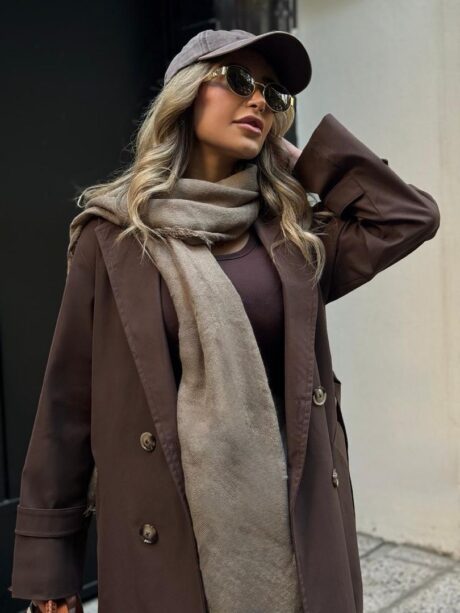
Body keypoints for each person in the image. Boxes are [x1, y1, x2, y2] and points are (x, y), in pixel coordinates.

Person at [10, 28, 440, 613]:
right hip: (169, 532)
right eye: (239, 80)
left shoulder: (292, 234)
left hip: (296, 527)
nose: (259, 99)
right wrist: (49, 567)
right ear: (187, 95)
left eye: (273, 93)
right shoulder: (114, 238)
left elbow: (408, 218)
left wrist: (306, 161)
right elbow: (67, 402)